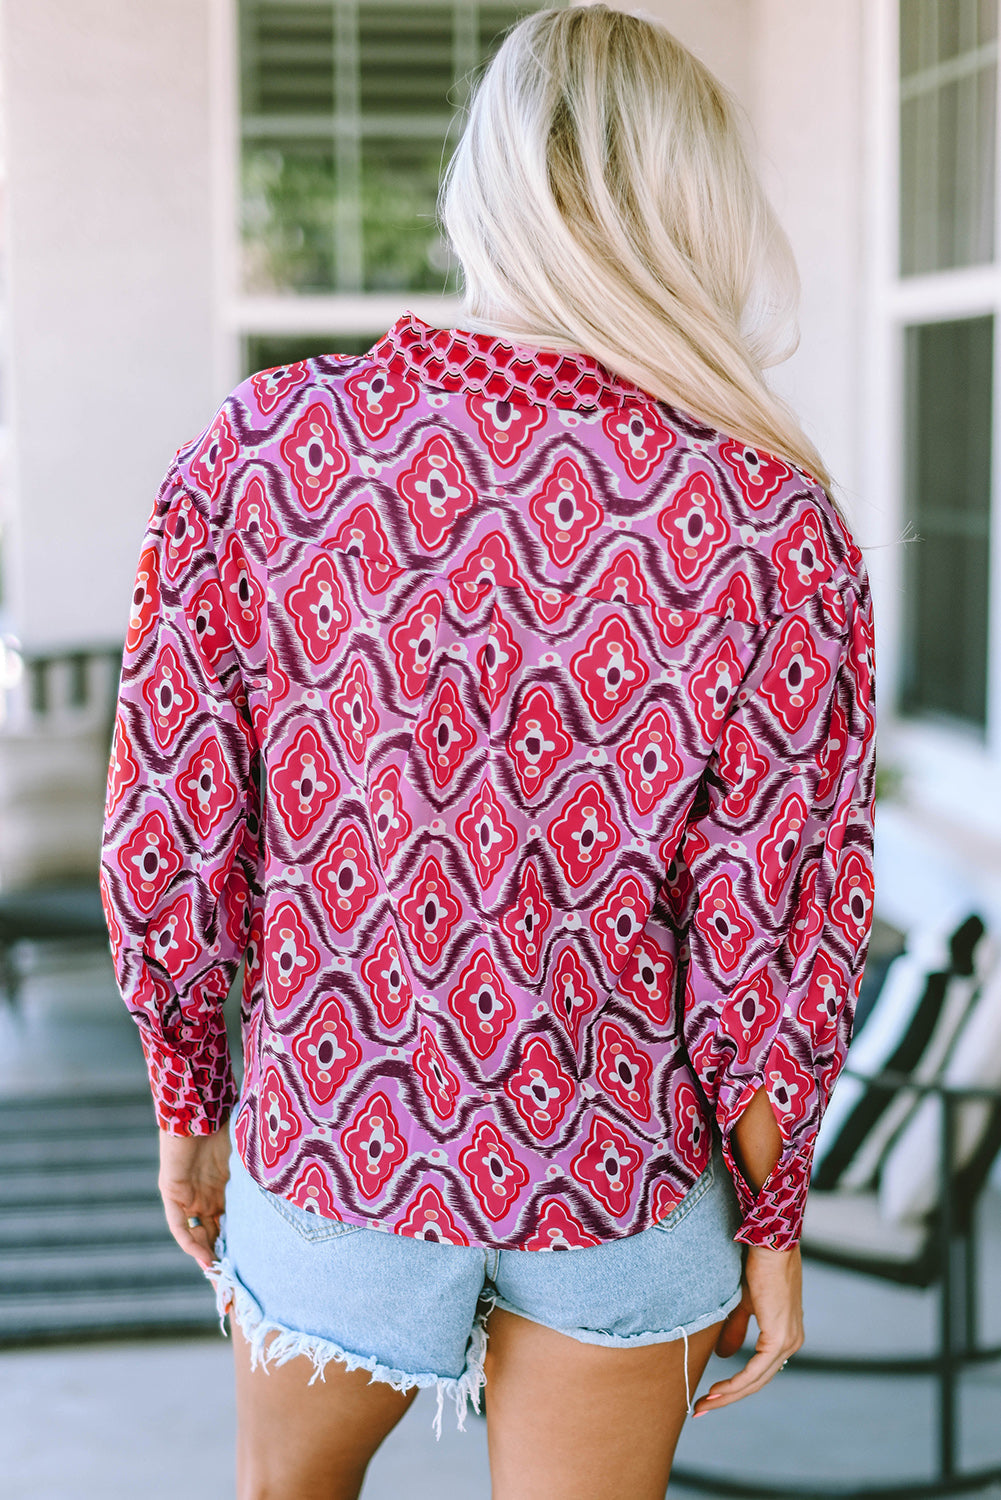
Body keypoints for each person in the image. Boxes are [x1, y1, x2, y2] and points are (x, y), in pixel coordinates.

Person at [99, 6, 876, 1498]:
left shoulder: (259, 453)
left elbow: (176, 836)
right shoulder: (773, 524)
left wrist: (188, 1095)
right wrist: (769, 1222)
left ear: (481, 189)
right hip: (622, 1163)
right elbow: (768, 929)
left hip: (342, 1139)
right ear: (696, 208)